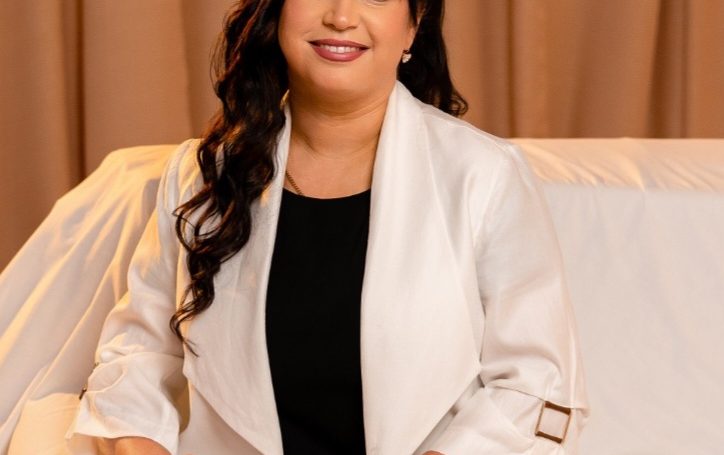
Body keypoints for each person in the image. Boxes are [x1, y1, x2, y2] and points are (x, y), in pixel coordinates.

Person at [64, 0, 589, 453]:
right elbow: (137, 355)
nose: (340, 16)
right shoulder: (201, 175)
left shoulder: (484, 176)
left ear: (413, 26)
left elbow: (536, 385)